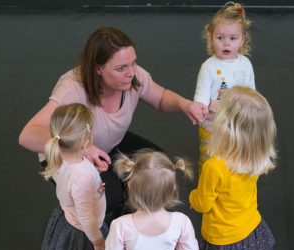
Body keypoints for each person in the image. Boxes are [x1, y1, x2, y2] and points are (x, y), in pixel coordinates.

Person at [19, 26, 208, 219]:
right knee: (109, 196)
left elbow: (160, 98)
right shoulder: (72, 88)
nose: (131, 72)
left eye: (133, 63)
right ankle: (85, 217)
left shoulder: (134, 75)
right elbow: (28, 135)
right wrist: (80, 148)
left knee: (156, 168)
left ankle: (127, 221)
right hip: (69, 153)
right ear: (97, 68)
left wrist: (185, 104)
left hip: (105, 144)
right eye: (121, 68)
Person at [189, 86, 276, 250]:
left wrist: (193, 196)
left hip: (223, 236)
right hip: (251, 226)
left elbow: (203, 204)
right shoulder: (255, 156)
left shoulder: (215, 166)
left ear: (227, 128)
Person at [40, 103, 113, 250]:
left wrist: (95, 179)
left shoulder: (61, 157)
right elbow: (85, 216)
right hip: (83, 230)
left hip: (70, 220)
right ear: (85, 141)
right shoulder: (80, 175)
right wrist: (98, 240)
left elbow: (73, 187)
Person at [194, 2, 255, 170]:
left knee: (235, 160)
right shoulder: (209, 66)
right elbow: (201, 96)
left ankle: (229, 190)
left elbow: (251, 93)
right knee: (210, 161)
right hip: (212, 126)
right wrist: (199, 109)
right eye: (220, 38)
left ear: (243, 40)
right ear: (210, 37)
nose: (226, 43)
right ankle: (207, 189)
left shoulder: (245, 64)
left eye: (233, 38)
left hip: (238, 124)